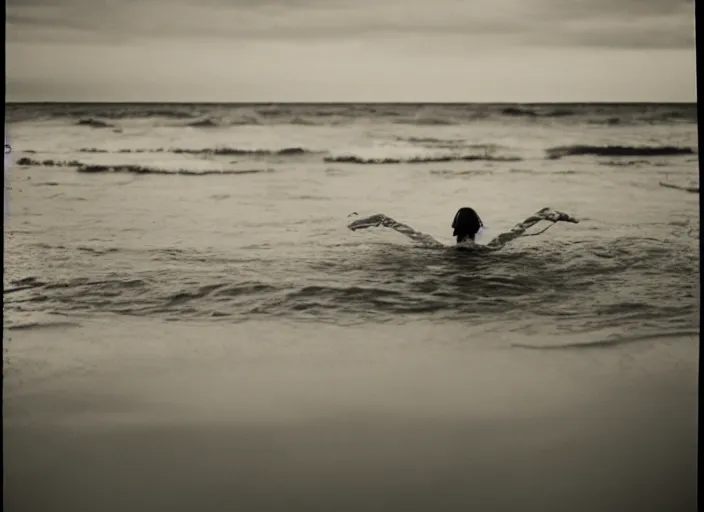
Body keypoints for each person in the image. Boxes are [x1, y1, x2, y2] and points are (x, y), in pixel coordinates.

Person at [347, 206, 578, 251]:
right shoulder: (493, 247)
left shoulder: (435, 247)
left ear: (453, 228)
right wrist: (558, 216)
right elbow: (530, 221)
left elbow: (387, 220)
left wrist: (358, 223)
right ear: (478, 229)